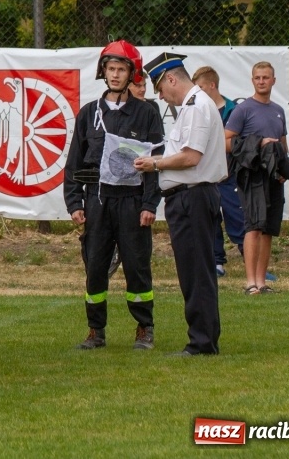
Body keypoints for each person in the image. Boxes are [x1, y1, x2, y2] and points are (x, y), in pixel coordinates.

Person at [64, 40, 164, 350]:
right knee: (95, 267)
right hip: (97, 202)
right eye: (111, 69)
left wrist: (150, 204)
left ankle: (144, 328)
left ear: (132, 73)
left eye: (121, 69)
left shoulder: (147, 113)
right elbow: (75, 162)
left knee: (137, 266)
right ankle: (96, 330)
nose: (116, 75)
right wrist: (74, 202)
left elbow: (156, 163)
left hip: (133, 204)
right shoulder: (88, 113)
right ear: (103, 72)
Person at [135, 52, 227, 356]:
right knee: (196, 270)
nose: (161, 96)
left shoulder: (196, 107)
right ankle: (204, 337)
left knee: (195, 272)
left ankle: (201, 342)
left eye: (161, 88)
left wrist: (155, 163)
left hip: (193, 196)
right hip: (191, 195)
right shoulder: (194, 106)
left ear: (171, 79)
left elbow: (190, 157)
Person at [225, 62, 289, 296]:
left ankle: (262, 281)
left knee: (268, 228)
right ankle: (250, 282)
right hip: (252, 175)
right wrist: (258, 143)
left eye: (266, 77)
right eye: (257, 77)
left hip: (274, 176)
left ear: (273, 81)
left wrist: (284, 168)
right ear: (252, 81)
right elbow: (226, 142)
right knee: (253, 227)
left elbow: (282, 143)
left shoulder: (279, 110)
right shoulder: (243, 110)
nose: (261, 81)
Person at [192, 66, 245, 277]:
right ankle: (216, 263)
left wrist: (215, 144)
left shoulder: (234, 110)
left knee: (239, 218)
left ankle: (252, 264)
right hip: (206, 176)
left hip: (230, 176)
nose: (197, 92)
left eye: (201, 87)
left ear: (212, 85)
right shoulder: (196, 110)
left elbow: (238, 144)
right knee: (210, 219)